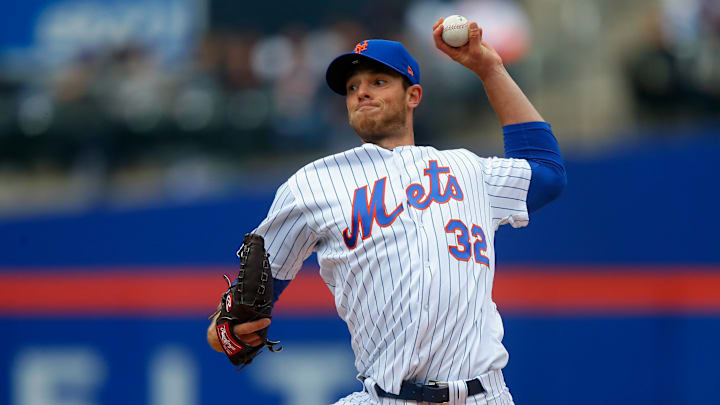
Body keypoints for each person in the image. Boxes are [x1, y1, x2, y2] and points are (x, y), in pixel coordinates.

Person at [207, 18, 566, 404]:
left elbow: (546, 173)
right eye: (352, 87)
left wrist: (489, 68)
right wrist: (223, 332)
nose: (362, 93)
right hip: (386, 396)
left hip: (482, 395)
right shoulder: (310, 185)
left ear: (413, 96)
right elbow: (242, 309)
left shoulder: (466, 168)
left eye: (378, 82)